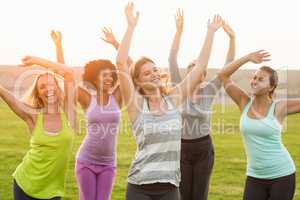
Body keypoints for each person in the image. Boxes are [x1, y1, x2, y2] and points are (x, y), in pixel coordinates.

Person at [116, 2, 223, 200]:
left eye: (155, 69)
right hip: (139, 186)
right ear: (137, 81)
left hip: (170, 187)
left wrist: (210, 32)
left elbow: (199, 67)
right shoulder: (136, 105)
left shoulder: (174, 99)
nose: (154, 74)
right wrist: (130, 27)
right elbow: (121, 64)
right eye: (147, 73)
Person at [168, 9, 236, 200]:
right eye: (190, 71)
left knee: (199, 195)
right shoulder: (179, 89)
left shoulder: (209, 90)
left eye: (197, 71)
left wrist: (232, 38)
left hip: (203, 148)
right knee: (182, 194)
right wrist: (179, 32)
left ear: (203, 74)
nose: (193, 74)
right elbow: (172, 59)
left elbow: (228, 64)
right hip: (181, 147)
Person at [217, 50, 297, 200]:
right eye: (254, 77)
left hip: (282, 175)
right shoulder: (243, 102)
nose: (254, 81)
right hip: (255, 177)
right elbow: (223, 75)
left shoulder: (279, 107)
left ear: (271, 87)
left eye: (261, 79)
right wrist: (247, 58)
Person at [0, 55, 76, 199]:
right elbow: (6, 95)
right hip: (25, 184)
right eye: (42, 87)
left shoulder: (69, 112)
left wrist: (37, 61)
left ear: (57, 86)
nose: (48, 89)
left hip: (53, 191)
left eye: (50, 84)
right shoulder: (33, 116)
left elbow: (68, 73)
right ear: (38, 94)